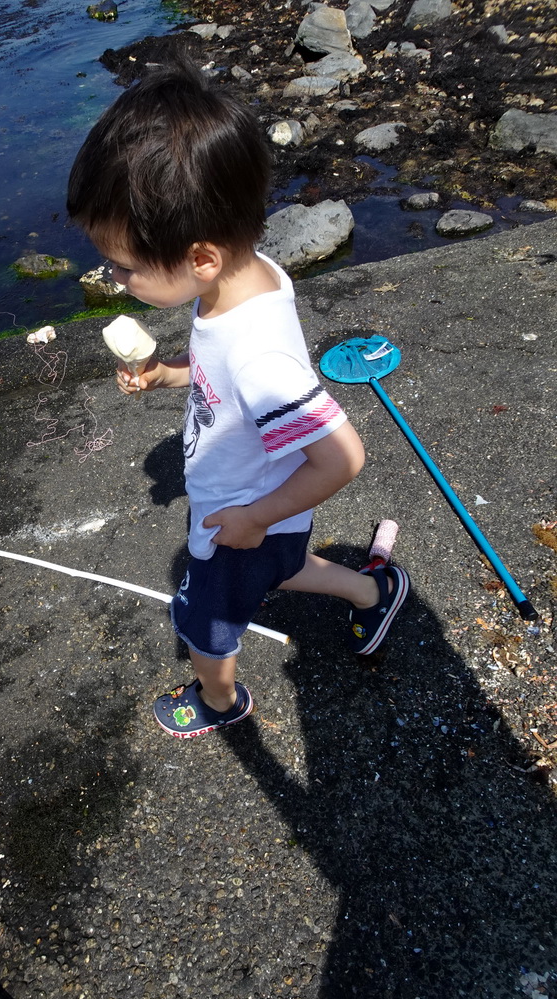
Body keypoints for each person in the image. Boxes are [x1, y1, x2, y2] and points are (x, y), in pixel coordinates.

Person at [67, 61, 409, 739]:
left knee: (205, 621)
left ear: (200, 258)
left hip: (241, 514)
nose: (114, 278)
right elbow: (221, 367)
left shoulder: (261, 360)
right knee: (282, 565)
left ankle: (221, 702)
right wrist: (172, 375)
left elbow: (341, 458)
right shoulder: (248, 278)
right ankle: (374, 592)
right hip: (264, 504)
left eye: (126, 267)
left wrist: (253, 516)